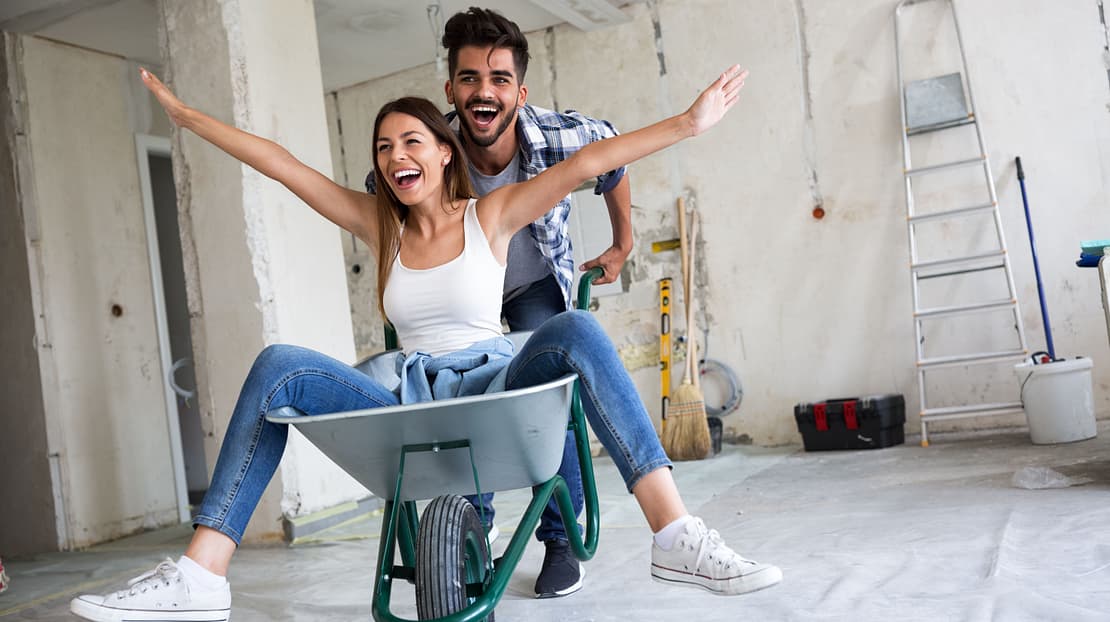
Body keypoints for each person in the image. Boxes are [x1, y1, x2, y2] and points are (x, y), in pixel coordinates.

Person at [70, 61, 779, 622]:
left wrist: (688, 122)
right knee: (278, 367)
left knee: (574, 328)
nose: (394, 156)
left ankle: (673, 533)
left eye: (411, 141)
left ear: (443, 153)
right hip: (407, 394)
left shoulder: (491, 215)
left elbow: (587, 166)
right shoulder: (382, 227)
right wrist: (189, 118)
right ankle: (201, 573)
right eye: (383, 148)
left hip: (496, 388)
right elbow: (282, 165)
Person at [364, 8, 633, 596]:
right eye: (469, 79)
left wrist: (622, 243)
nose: (484, 93)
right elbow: (384, 202)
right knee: (463, 395)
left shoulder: (556, 134)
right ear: (451, 90)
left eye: (499, 80)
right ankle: (470, 529)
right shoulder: (428, 149)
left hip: (534, 281)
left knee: (548, 396)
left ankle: (561, 539)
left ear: (519, 89)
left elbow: (608, 156)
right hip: (460, 298)